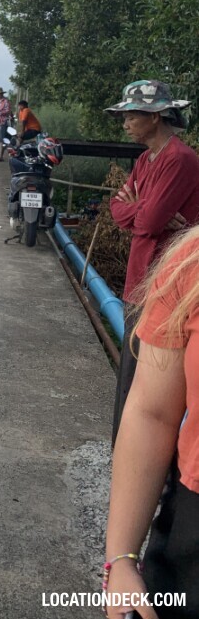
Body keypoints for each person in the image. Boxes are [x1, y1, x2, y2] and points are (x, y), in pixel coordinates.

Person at [104, 225, 199, 619]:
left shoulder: (175, 161)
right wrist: (121, 560)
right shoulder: (191, 264)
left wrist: (133, 210)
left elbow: (146, 215)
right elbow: (152, 411)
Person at [105, 80, 199, 442]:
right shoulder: (146, 159)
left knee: (149, 380)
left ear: (156, 116)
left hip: (167, 285)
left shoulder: (179, 159)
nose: (125, 122)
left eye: (132, 115)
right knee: (128, 374)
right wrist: (142, 207)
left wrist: (140, 207)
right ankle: (122, 449)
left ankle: (140, 458)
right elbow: (118, 209)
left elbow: (148, 222)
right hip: (138, 280)